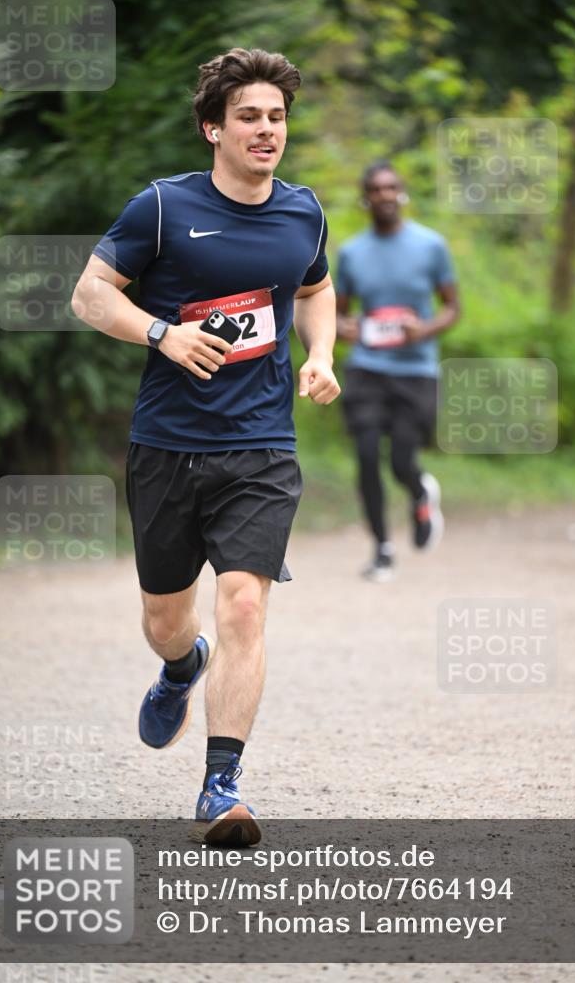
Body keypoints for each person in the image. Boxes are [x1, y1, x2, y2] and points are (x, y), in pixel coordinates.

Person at [72, 48, 340, 844]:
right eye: (250, 117)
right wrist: (164, 334)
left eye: (277, 117)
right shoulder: (160, 208)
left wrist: (320, 355)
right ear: (211, 128)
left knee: (246, 605)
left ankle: (221, 788)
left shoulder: (304, 213)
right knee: (164, 618)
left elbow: (315, 288)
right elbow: (89, 294)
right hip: (166, 446)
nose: (267, 130)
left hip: (260, 448)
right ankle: (180, 666)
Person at [336, 161, 460, 581]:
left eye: (391, 188)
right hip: (368, 368)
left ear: (402, 193)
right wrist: (342, 328)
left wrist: (424, 329)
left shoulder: (430, 246)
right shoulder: (352, 252)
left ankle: (420, 490)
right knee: (367, 456)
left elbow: (452, 307)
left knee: (402, 461)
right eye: (375, 189)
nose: (384, 195)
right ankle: (382, 549)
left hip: (416, 370)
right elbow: (335, 315)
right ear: (365, 198)